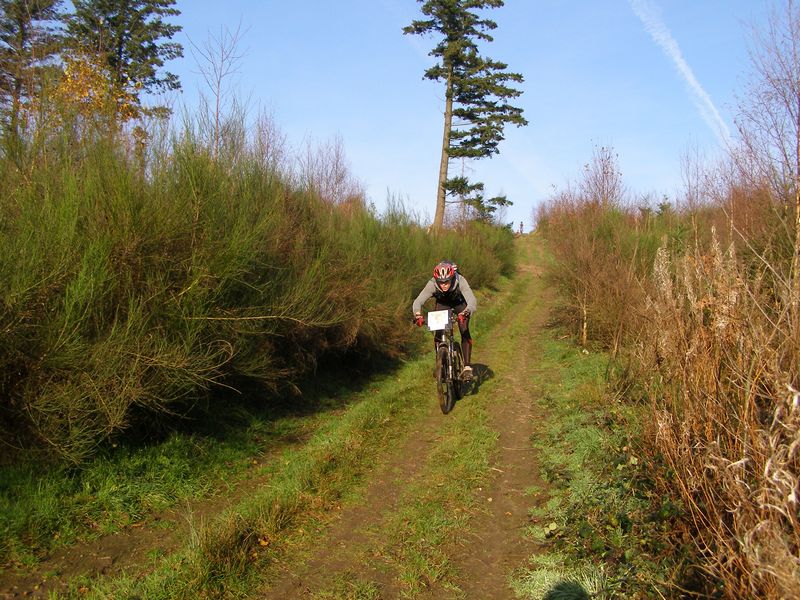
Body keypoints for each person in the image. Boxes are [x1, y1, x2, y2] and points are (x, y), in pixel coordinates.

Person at [412, 260, 477, 379]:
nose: (444, 285)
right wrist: (417, 315)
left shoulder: (460, 280)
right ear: (436, 280)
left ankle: (467, 367)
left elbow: (472, 301)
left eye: (447, 281)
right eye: (441, 282)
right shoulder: (431, 283)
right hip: (443, 304)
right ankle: (440, 364)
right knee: (439, 332)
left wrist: (466, 312)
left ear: (452, 278)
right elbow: (418, 301)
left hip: (460, 304)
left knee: (464, 328)